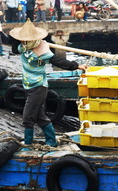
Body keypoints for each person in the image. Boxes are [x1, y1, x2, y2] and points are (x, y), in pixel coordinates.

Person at [9, 19, 87, 148]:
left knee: (27, 117)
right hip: (28, 85)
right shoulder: (23, 46)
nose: (23, 41)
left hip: (38, 86)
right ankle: (52, 141)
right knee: (40, 117)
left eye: (25, 39)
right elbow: (14, 48)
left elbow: (59, 61)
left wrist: (77, 66)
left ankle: (27, 143)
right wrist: (16, 37)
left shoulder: (42, 50)